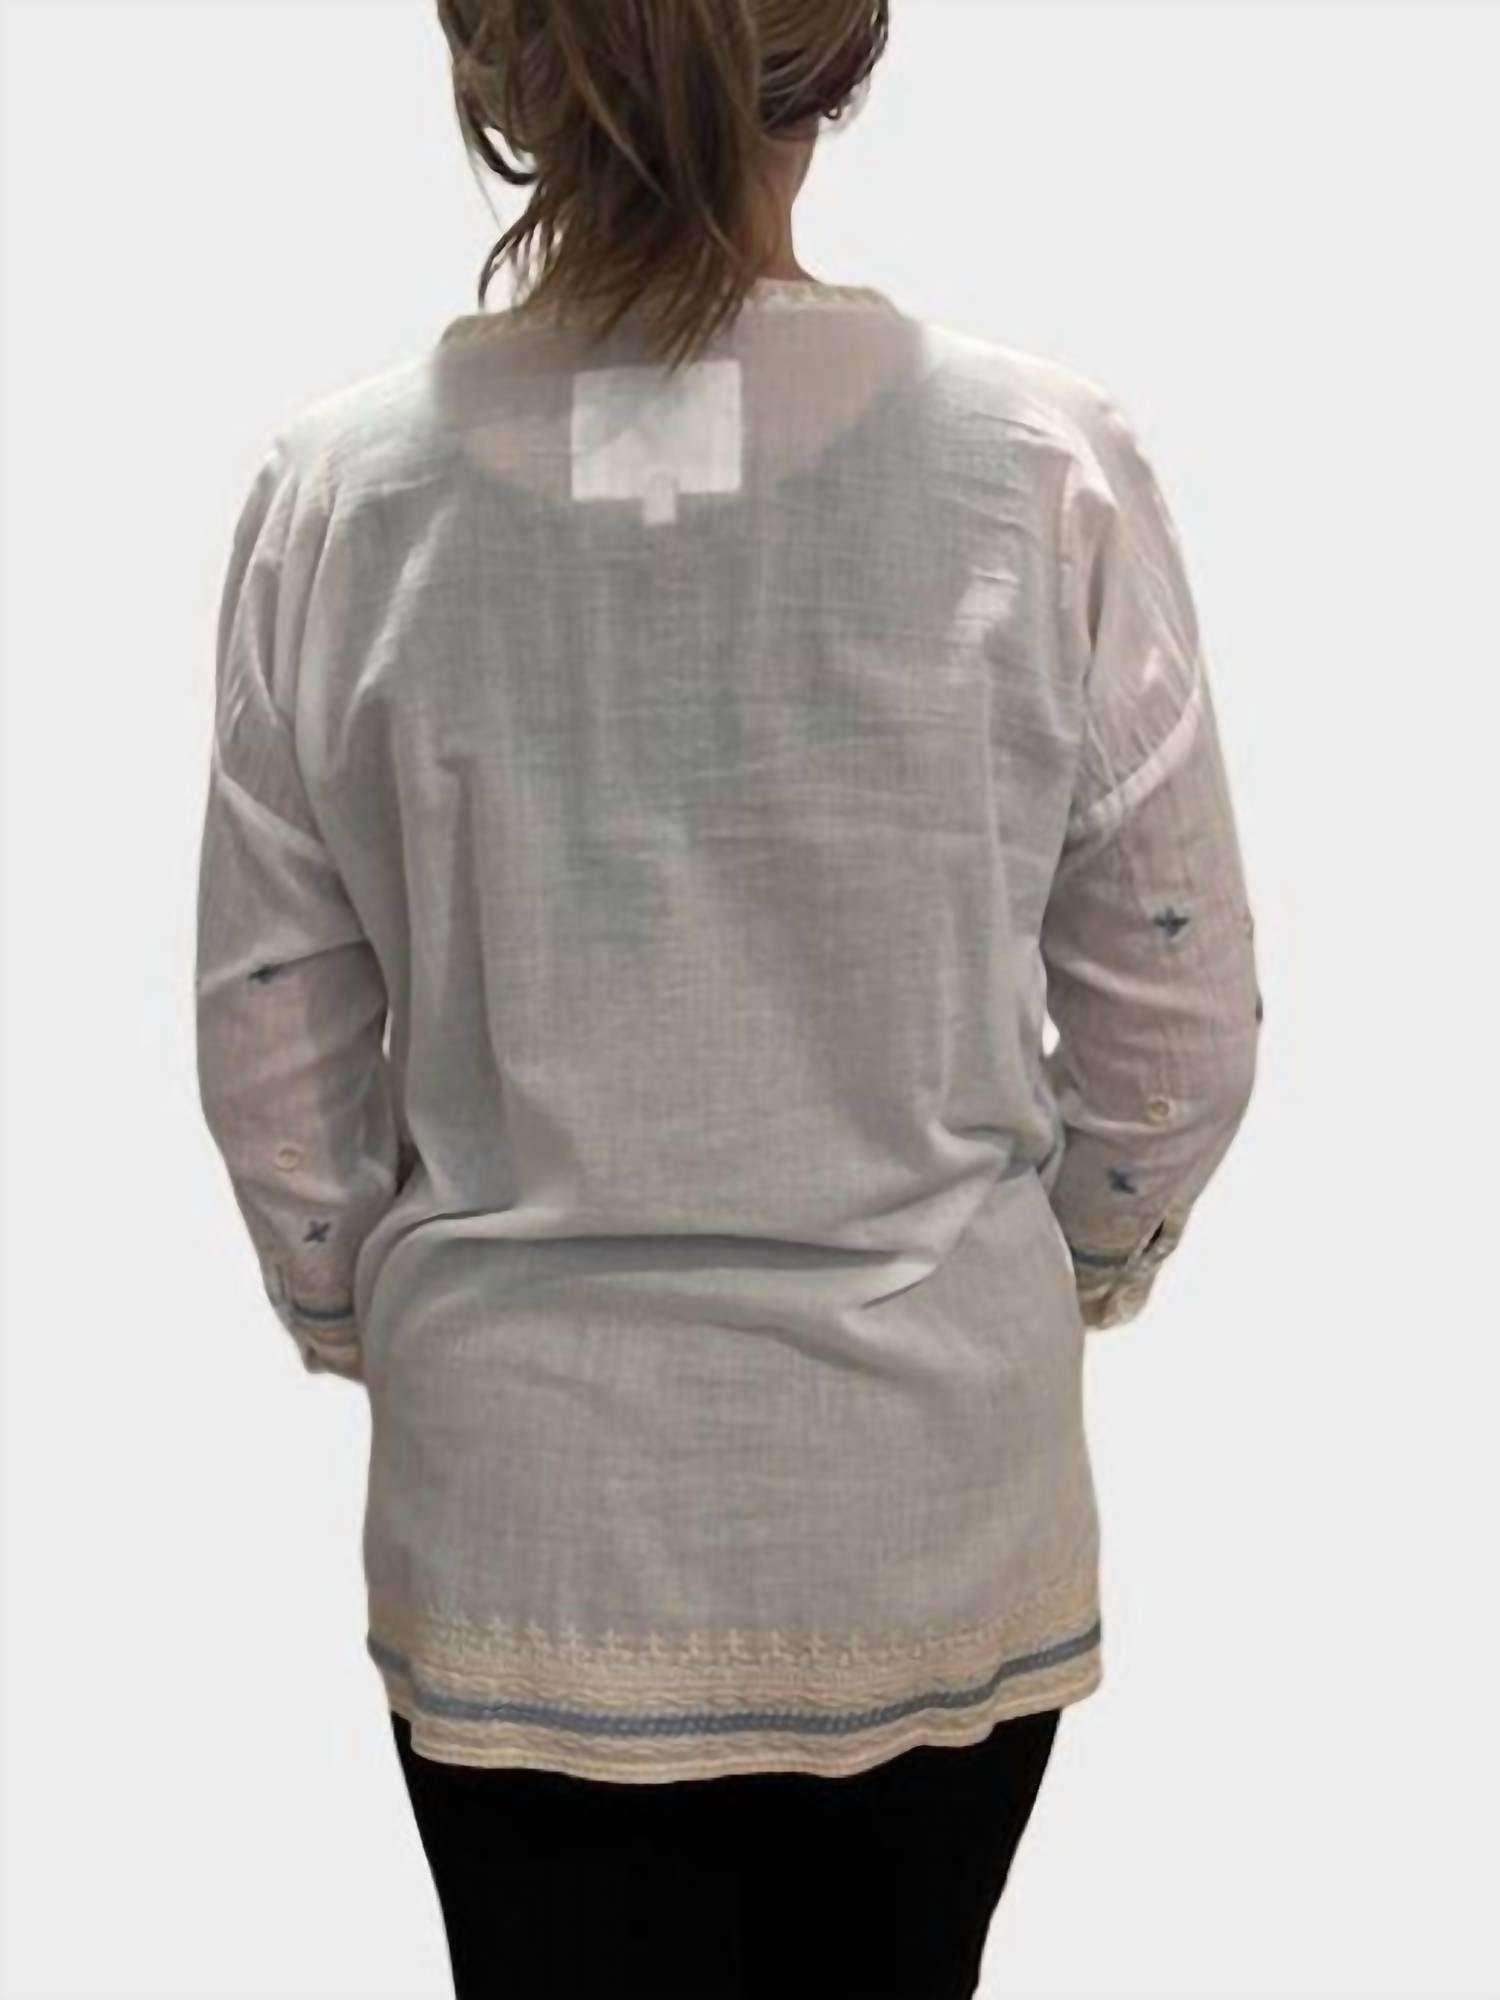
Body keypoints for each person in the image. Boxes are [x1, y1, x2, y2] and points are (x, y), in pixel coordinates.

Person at [193, 2, 1262, 1993]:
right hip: (928, 1513)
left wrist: (376, 1319)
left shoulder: (343, 499)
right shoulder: (1038, 470)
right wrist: (1050, 1281)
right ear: (835, 61)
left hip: (523, 1532)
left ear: (498, 64)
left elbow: (271, 1039)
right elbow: (1176, 1016)